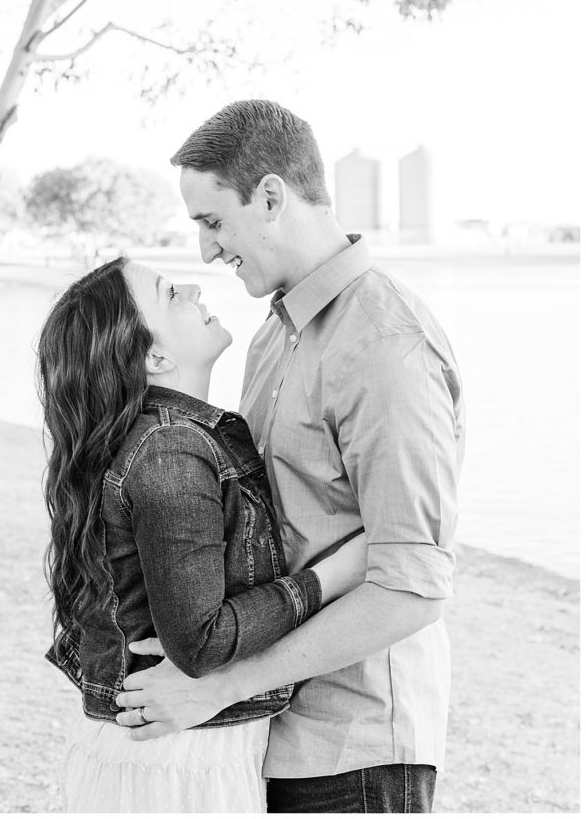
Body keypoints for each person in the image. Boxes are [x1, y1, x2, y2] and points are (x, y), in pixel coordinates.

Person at [116, 100, 465, 814]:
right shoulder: (273, 336)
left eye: (212, 222)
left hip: (357, 751)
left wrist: (220, 685)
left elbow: (414, 585)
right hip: (267, 736)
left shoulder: (386, 348)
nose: (208, 252)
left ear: (271, 196)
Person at [38, 255, 368, 813]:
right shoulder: (171, 450)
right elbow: (202, 642)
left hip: (172, 751)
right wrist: (336, 574)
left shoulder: (167, 441)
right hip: (175, 761)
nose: (193, 286)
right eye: (170, 294)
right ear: (154, 355)